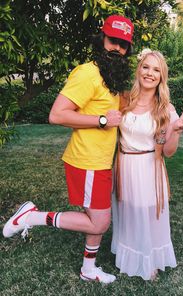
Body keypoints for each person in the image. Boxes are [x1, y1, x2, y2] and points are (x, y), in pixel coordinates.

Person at [3, 15, 134, 284]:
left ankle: (89, 268)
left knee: (98, 217)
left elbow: (122, 111)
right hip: (87, 161)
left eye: (123, 44)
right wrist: (101, 121)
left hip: (100, 161)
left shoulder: (112, 77)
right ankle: (33, 216)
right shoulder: (88, 73)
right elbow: (57, 115)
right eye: (112, 41)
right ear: (101, 39)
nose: (117, 48)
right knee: (99, 222)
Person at [111, 48, 183, 280]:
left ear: (162, 77)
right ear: (139, 69)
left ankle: (148, 259)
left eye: (156, 70)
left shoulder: (165, 109)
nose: (150, 73)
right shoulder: (124, 99)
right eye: (146, 67)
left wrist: (176, 130)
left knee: (148, 214)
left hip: (149, 167)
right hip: (125, 166)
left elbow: (168, 152)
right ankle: (128, 256)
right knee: (129, 212)